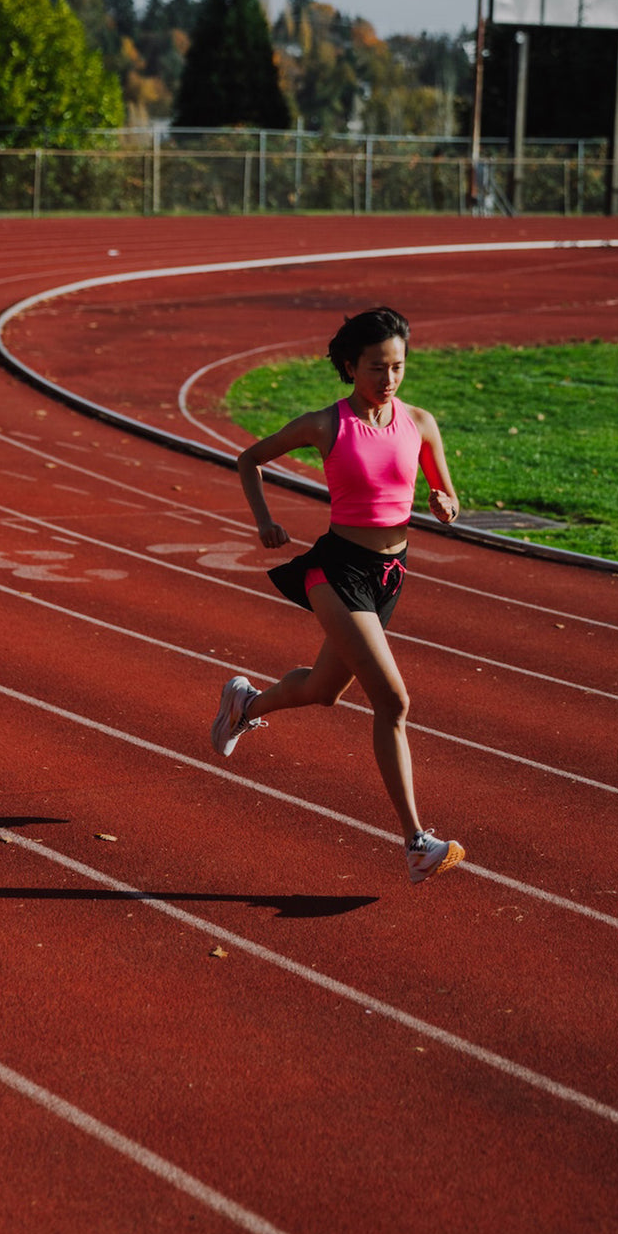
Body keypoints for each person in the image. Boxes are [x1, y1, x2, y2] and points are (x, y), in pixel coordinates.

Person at [210, 307, 465, 885]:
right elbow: (249, 460)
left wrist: (446, 505)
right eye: (377, 367)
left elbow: (446, 492)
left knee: (324, 691)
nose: (389, 378)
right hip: (337, 570)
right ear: (350, 366)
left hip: (389, 575)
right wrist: (265, 522)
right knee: (394, 702)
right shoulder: (326, 425)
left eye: (398, 366)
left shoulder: (420, 423)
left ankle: (243, 705)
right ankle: (416, 842)